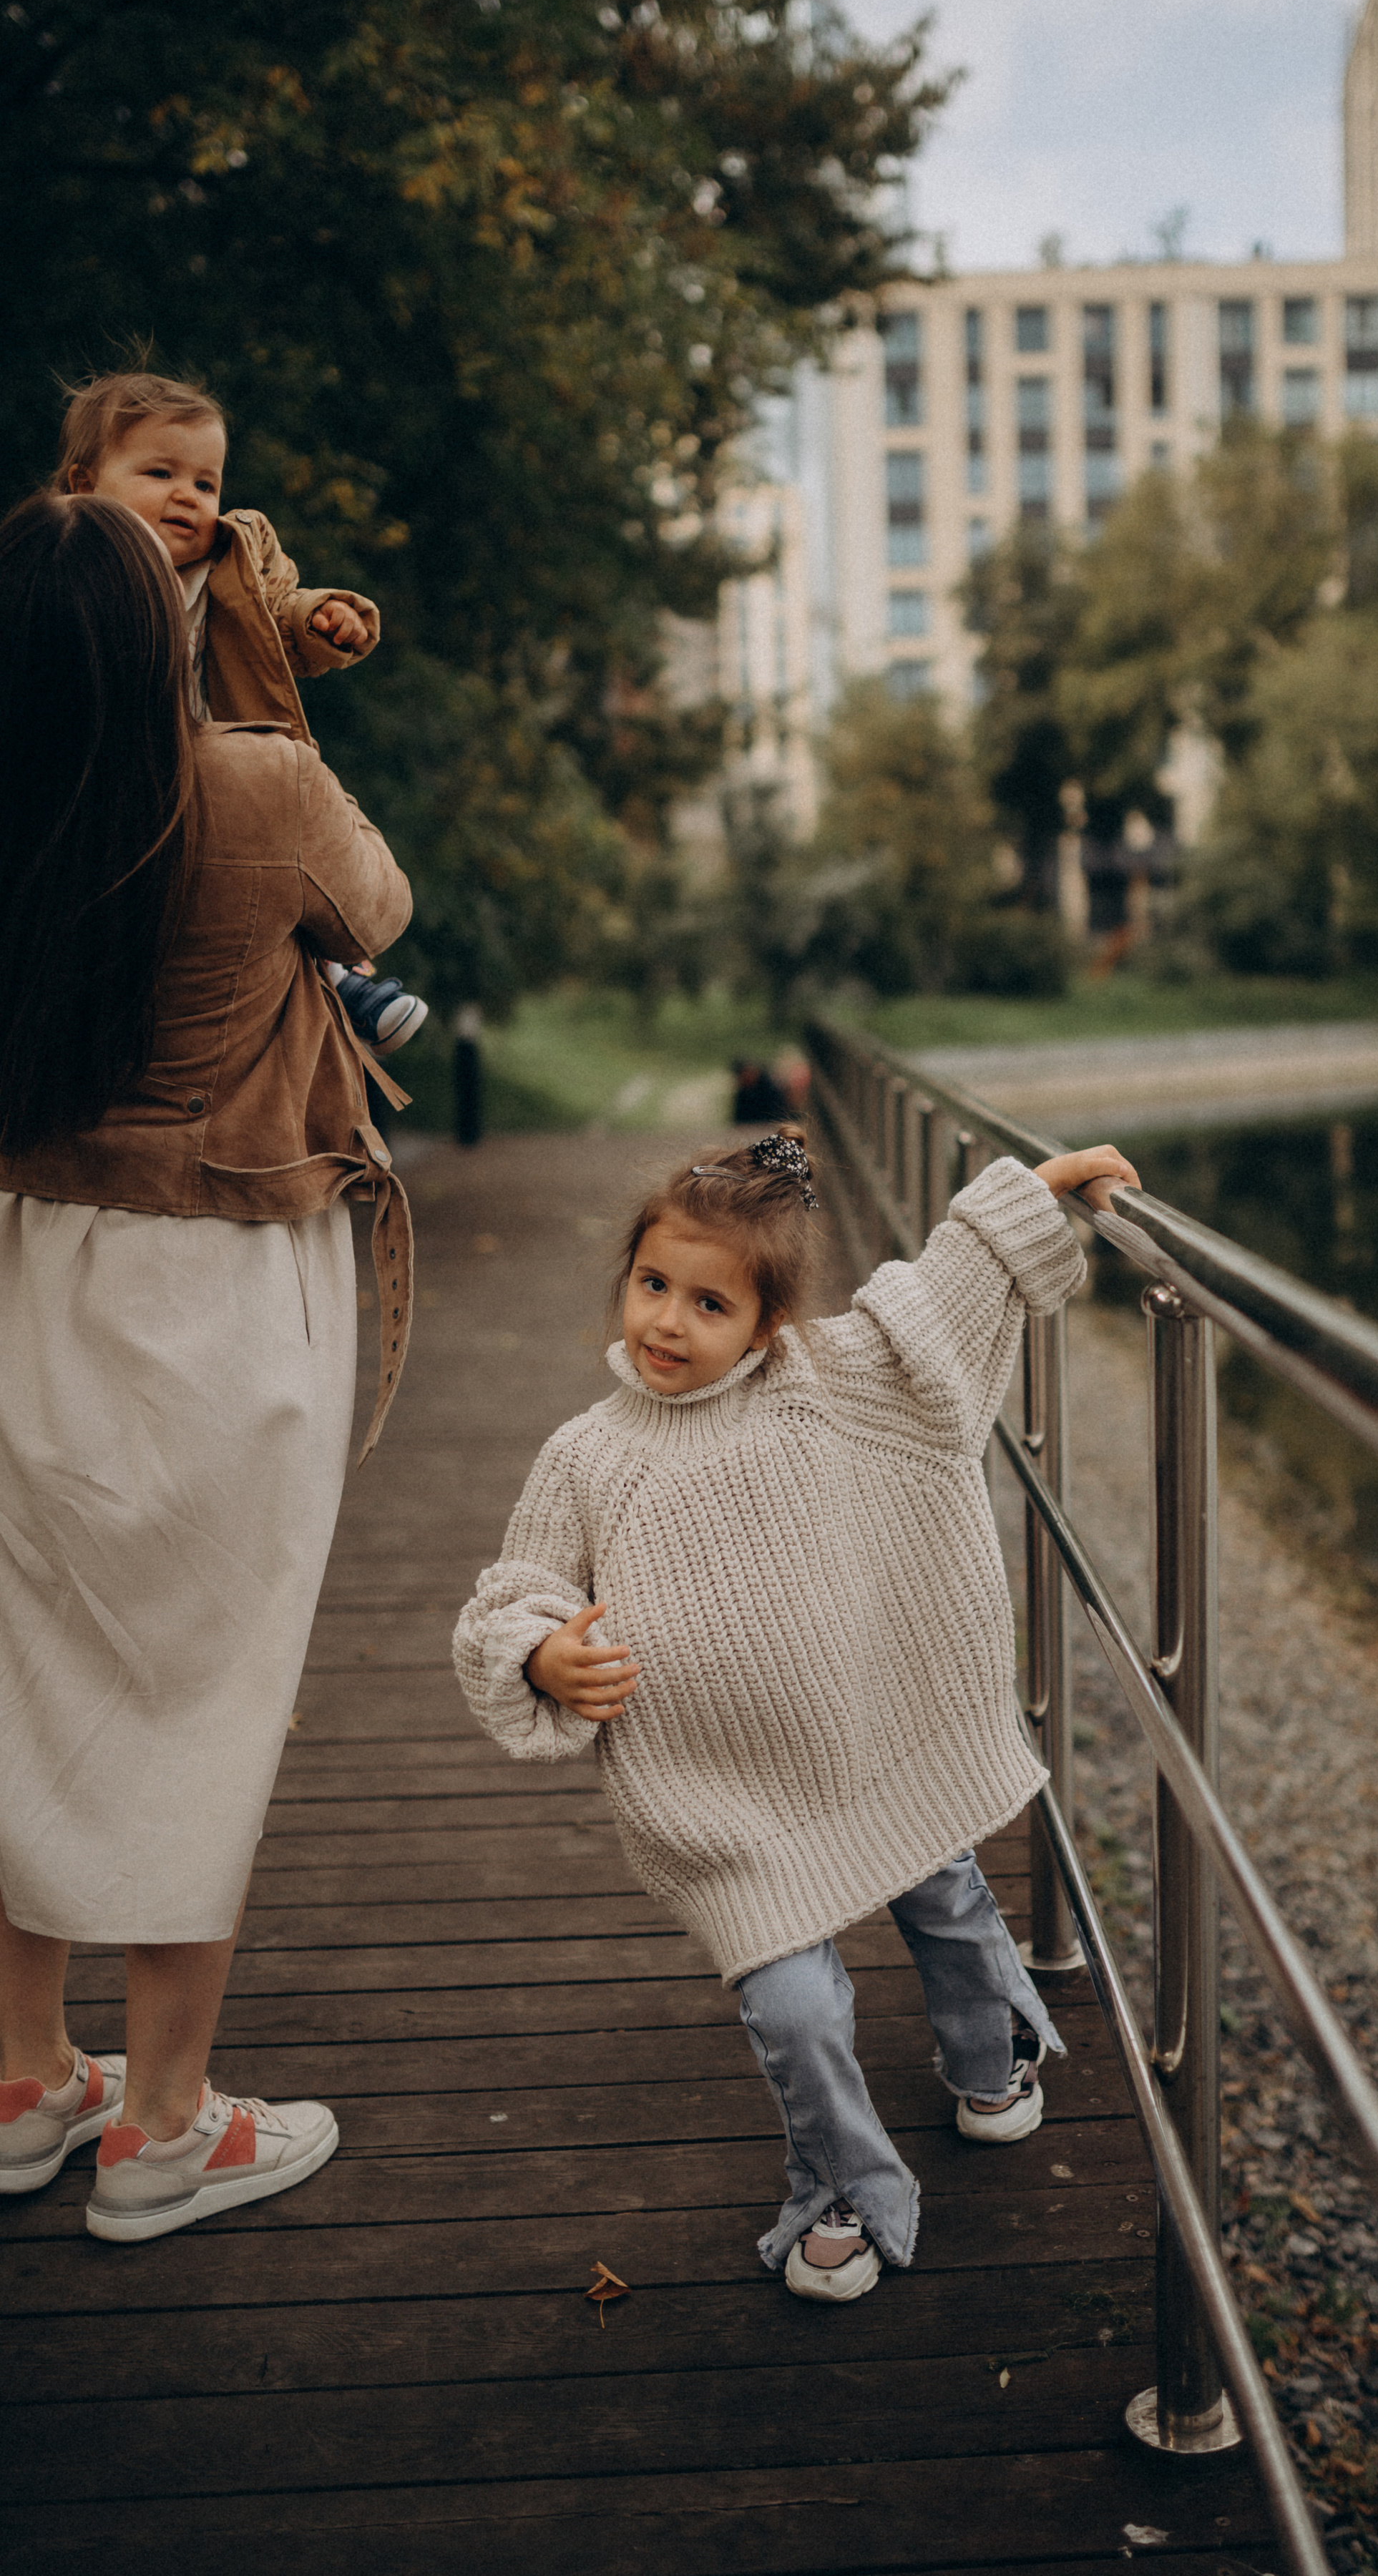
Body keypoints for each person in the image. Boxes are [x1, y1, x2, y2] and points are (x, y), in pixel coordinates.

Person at [453, 1120, 1139, 2301]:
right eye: (653, 1285)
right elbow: (513, 1594)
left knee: (948, 1899)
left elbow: (939, 1297)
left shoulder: (831, 1379)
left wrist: (1035, 1194)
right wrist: (540, 1655)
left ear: (768, 1324)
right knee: (796, 2007)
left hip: (876, 1736)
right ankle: (841, 2184)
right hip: (726, 1807)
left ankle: (993, 2053)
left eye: (709, 1305)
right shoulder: (586, 1455)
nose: (668, 1323)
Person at [0, 491, 414, 2240]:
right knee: (210, 1689)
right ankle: (165, 2127)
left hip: (33, 1265)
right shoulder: (252, 787)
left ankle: (23, 2079)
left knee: (29, 1675)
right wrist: (262, 672)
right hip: (224, 1278)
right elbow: (377, 908)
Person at [57, 368, 426, 1055]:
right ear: (83, 486)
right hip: (109, 775)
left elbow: (277, 613)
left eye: (206, 484)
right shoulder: (62, 569)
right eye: (160, 473)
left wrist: (320, 619)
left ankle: (341, 984)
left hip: (216, 769)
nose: (188, 497)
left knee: (257, 881)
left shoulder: (233, 560)